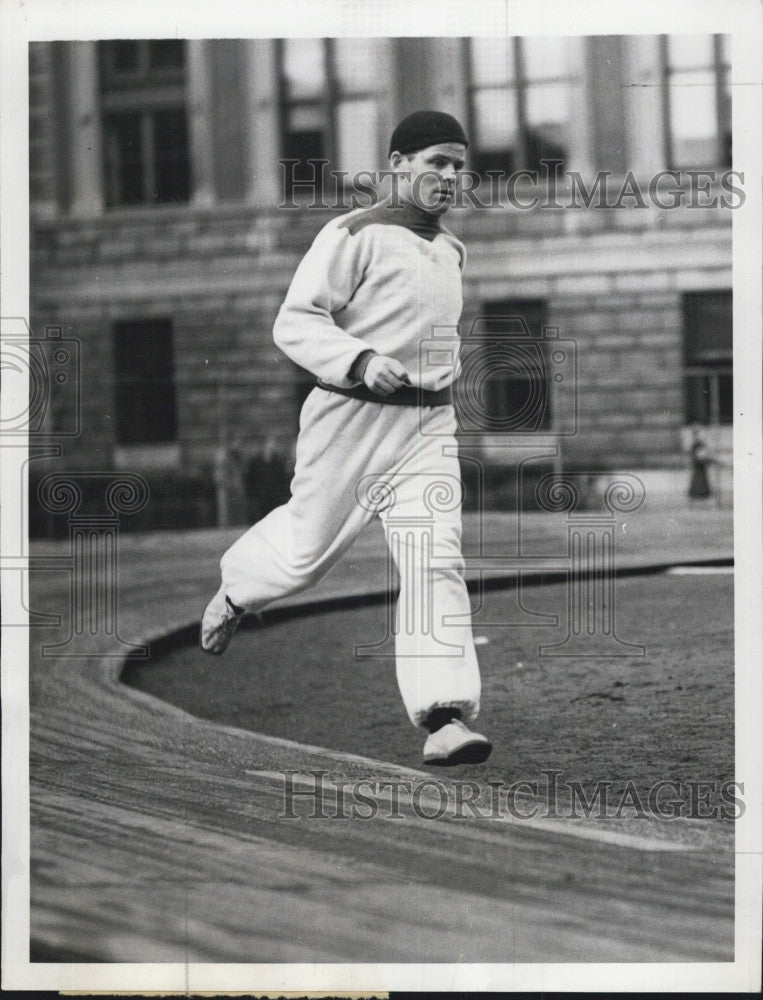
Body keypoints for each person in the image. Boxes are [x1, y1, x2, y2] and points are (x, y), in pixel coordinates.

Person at [200, 110, 491, 766]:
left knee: (435, 557)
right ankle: (238, 589)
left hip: (427, 428)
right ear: (396, 165)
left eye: (456, 164)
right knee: (304, 553)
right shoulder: (353, 233)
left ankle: (444, 718)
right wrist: (359, 360)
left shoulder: (450, 249)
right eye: (434, 162)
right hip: (348, 420)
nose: (448, 175)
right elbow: (294, 322)